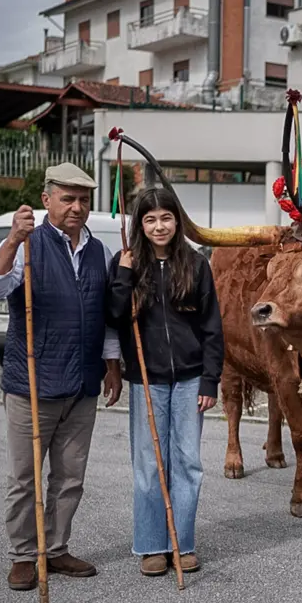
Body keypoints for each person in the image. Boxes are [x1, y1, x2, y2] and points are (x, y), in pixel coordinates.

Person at [0, 162, 123, 591]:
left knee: (70, 477)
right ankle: (24, 555)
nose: (77, 207)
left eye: (83, 200)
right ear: (47, 200)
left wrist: (112, 366)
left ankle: (55, 548)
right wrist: (12, 240)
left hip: (82, 385)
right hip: (32, 385)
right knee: (24, 479)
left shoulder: (99, 252)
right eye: (67, 198)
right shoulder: (27, 245)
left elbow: (105, 318)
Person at [106, 186, 224, 576]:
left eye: (167, 218)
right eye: (151, 219)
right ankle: (152, 545)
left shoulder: (196, 264)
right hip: (147, 379)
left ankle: (181, 543)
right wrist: (124, 275)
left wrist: (210, 379)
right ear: (140, 225)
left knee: (187, 462)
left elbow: (212, 327)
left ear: (177, 221)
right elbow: (114, 315)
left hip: (190, 378)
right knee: (150, 463)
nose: (160, 226)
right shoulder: (126, 263)